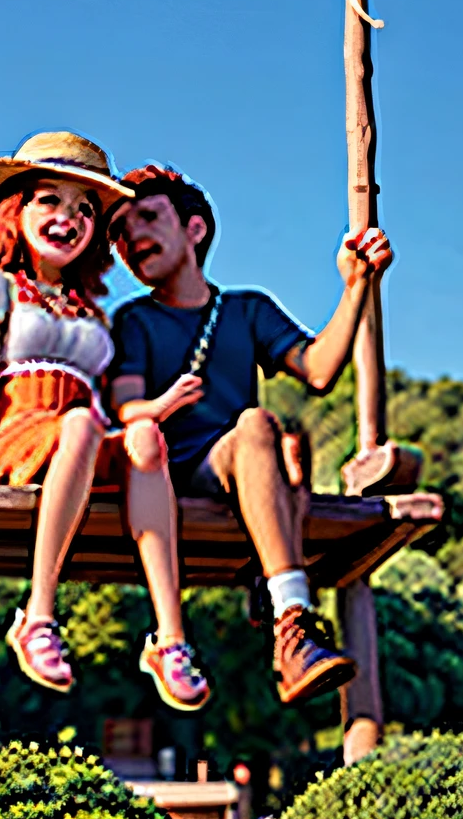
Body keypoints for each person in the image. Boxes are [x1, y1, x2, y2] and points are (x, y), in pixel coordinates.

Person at [0, 132, 208, 711]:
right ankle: (39, 615)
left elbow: (111, 407)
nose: (66, 219)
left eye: (83, 210)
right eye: (49, 200)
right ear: (15, 212)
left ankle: (170, 639)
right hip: (15, 434)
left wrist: (162, 405)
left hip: (82, 437)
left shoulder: (93, 311)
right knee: (79, 424)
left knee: (144, 437)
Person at [107, 164, 391, 705]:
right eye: (120, 230)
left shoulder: (246, 310)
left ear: (195, 229)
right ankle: (293, 614)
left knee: (265, 430)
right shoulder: (134, 322)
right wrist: (164, 405)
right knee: (263, 432)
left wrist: (357, 286)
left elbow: (320, 369)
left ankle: (291, 626)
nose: (131, 236)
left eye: (147, 216)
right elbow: (127, 408)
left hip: (237, 467)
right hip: (166, 472)